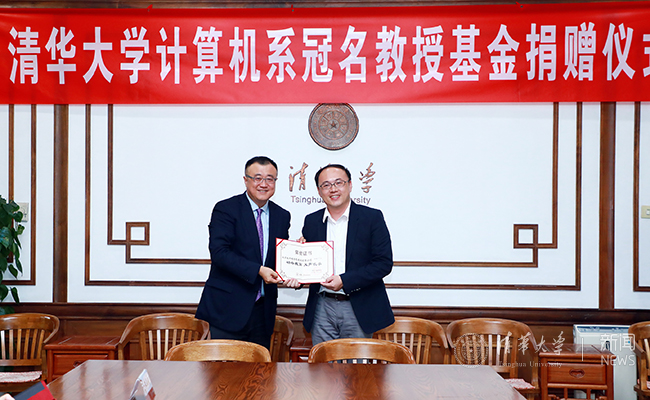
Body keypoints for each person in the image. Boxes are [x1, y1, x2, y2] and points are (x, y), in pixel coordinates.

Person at [195, 156, 291, 349]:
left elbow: (279, 257)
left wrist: (298, 255)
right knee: (222, 367)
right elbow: (220, 253)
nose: (263, 184)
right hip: (227, 309)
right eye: (257, 178)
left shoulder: (282, 215)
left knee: (259, 367)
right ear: (246, 180)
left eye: (270, 179)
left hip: (263, 312)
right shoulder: (226, 209)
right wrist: (258, 270)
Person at [301, 164, 394, 345]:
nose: (333, 189)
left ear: (350, 185)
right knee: (323, 361)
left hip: (359, 306)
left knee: (357, 362)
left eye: (339, 183)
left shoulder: (371, 218)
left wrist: (345, 280)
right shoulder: (311, 221)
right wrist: (296, 274)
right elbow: (308, 264)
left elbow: (383, 263)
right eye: (326, 185)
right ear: (319, 191)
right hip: (321, 306)